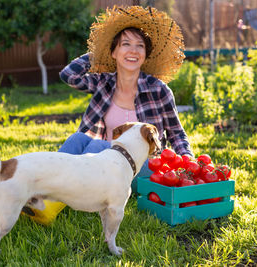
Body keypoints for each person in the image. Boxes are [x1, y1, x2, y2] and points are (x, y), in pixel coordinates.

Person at [24, 5, 193, 225]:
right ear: (114, 52)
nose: (133, 50)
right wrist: (98, 52)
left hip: (142, 167)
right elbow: (69, 75)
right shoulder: (104, 83)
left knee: (97, 146)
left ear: (145, 54)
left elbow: (177, 133)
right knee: (79, 139)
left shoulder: (158, 89)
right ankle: (38, 193)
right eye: (125, 45)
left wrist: (188, 163)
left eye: (139, 46)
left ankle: (49, 207)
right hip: (104, 168)